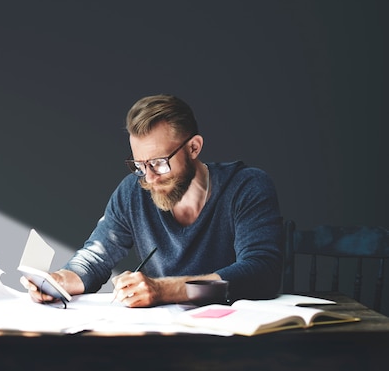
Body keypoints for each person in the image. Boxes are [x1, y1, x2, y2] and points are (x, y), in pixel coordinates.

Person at [23, 94, 283, 307]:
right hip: (164, 336)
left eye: (159, 163)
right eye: (139, 164)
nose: (149, 178)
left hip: (236, 338)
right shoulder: (133, 192)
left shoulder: (246, 186)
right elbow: (96, 257)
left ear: (194, 147)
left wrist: (164, 289)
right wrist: (61, 280)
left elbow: (260, 272)